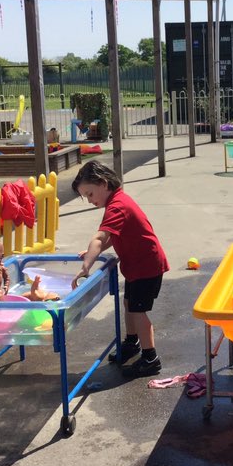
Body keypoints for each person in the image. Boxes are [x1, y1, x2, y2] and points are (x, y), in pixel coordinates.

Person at [71, 160, 169, 378]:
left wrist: (87, 265)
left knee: (138, 311)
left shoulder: (117, 206)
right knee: (129, 304)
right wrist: (90, 252)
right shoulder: (117, 202)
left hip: (147, 266)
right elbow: (113, 236)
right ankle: (132, 342)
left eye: (89, 194)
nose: (89, 200)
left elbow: (100, 237)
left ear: (104, 184)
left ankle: (150, 358)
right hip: (137, 266)